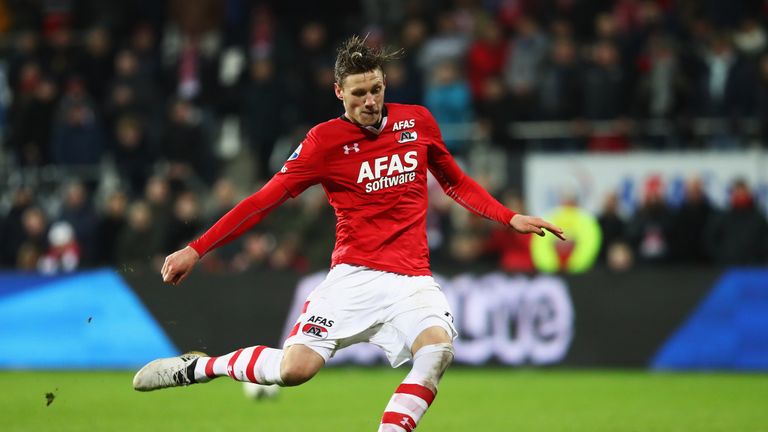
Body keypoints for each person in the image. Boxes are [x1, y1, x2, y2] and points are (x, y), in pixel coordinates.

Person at [133, 35, 565, 431]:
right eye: (359, 93)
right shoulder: (324, 142)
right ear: (339, 92)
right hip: (354, 276)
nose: (370, 101)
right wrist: (197, 248)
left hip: (412, 279)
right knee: (293, 371)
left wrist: (510, 217)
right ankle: (203, 367)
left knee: (437, 351)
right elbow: (261, 201)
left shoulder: (417, 122)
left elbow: (453, 181)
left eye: (376, 89)